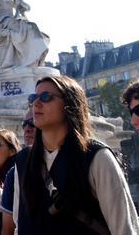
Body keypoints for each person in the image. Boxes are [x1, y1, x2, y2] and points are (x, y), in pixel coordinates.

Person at [10, 75, 138, 234]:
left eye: (45, 97)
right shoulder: (23, 161)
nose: (36, 103)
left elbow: (123, 228)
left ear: (69, 105)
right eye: (33, 97)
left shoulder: (97, 157)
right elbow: (19, 222)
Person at [0, 111, 36, 235]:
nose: (27, 128)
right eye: (24, 124)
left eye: (32, 123)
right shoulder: (15, 173)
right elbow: (8, 229)